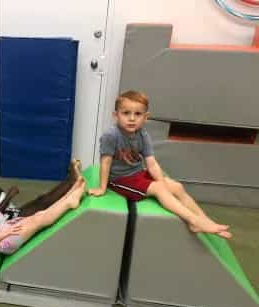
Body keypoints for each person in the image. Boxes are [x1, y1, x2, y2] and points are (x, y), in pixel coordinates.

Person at [88, 90, 231, 238]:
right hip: (120, 179)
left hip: (138, 174)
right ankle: (193, 221)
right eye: (126, 113)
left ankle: (204, 219)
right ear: (116, 115)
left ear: (145, 117)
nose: (132, 118)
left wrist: (162, 181)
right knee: (159, 189)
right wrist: (102, 188)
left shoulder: (142, 134)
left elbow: (152, 163)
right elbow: (105, 162)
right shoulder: (111, 135)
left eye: (138, 114)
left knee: (176, 186)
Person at [0, 175, 85, 254]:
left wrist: (9, 227)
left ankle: (69, 194)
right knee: (39, 220)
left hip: (8, 227)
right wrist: (6, 233)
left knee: (39, 214)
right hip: (5, 242)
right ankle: (69, 202)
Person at [0, 148, 83, 218]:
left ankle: (70, 183)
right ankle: (71, 182)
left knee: (41, 201)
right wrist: (9, 196)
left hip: (12, 213)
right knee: (43, 203)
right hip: (9, 222)